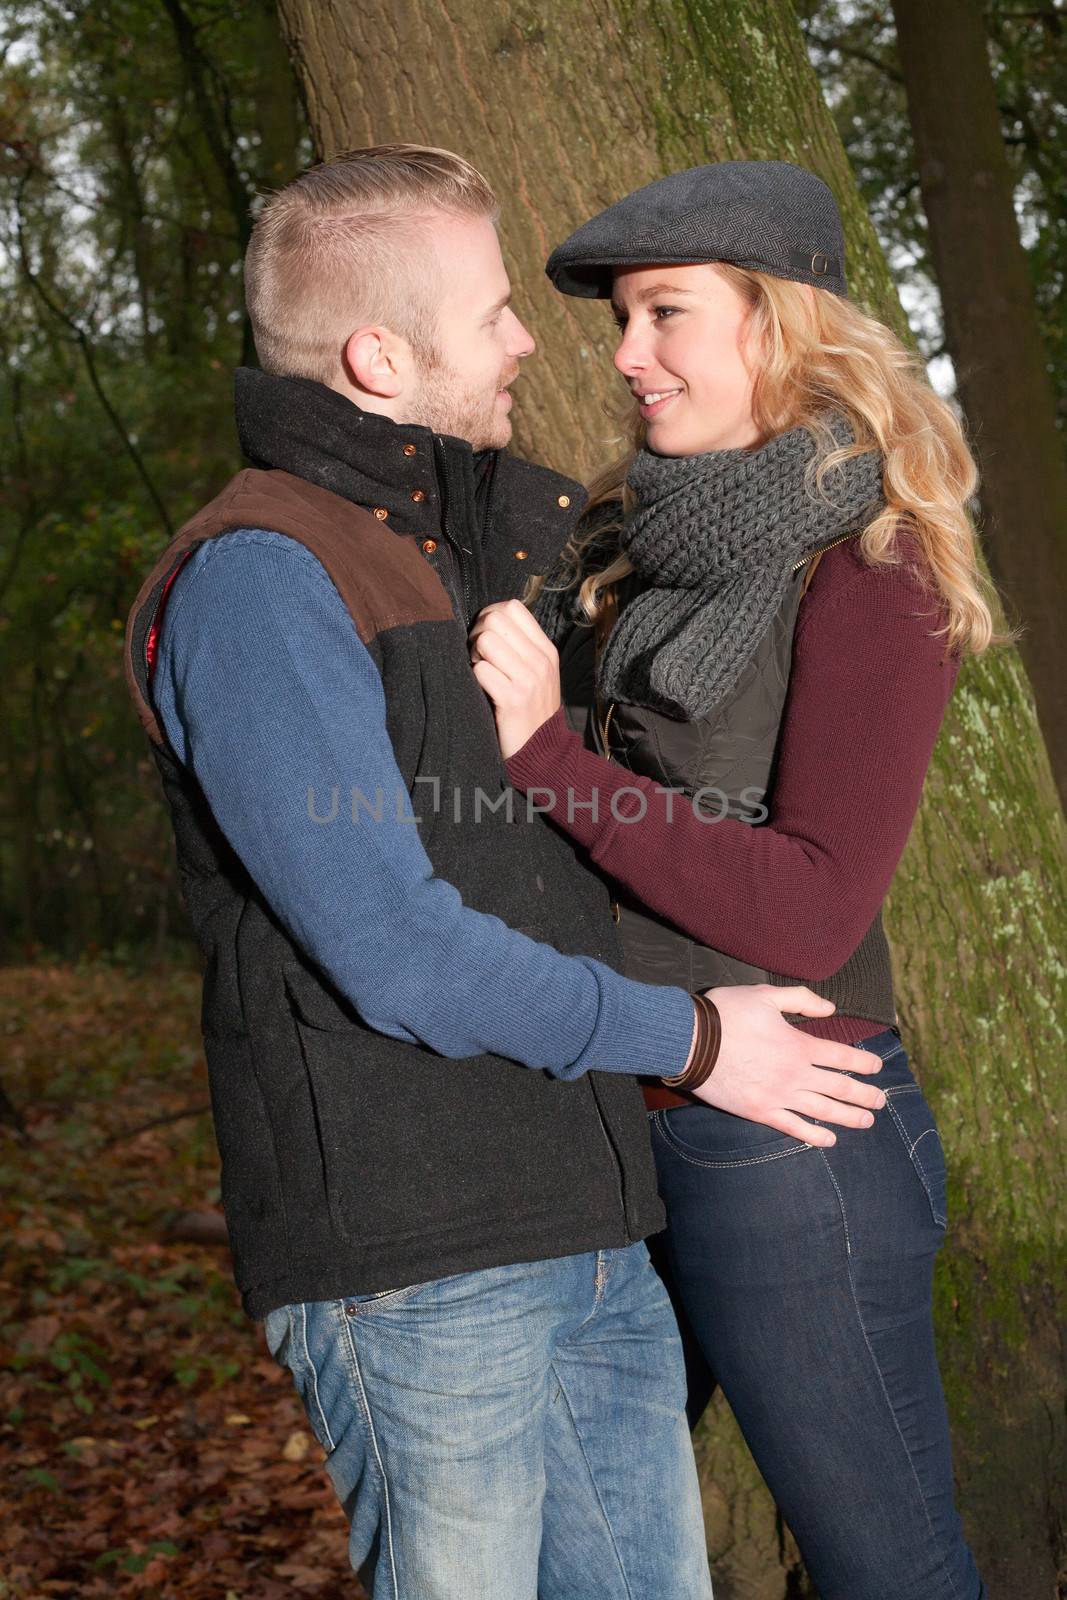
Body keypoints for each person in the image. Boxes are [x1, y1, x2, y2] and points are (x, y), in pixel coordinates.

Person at [121, 148, 886, 1600]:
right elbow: (398, 948)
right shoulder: (262, 579)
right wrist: (698, 1040)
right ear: (380, 355)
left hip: (590, 1221)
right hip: (415, 1264)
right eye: (492, 313)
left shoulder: (495, 544)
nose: (537, 338)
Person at [471, 160, 993, 1600]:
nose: (629, 357)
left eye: (664, 315)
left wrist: (550, 754)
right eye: (621, 323)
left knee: (885, 1566)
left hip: (785, 1150)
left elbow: (818, 906)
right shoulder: (632, 553)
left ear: (778, 323)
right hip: (613, 1114)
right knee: (601, 1562)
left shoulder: (873, 568)